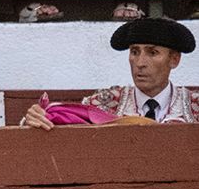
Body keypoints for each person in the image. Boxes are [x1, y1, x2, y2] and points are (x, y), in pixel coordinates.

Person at [21, 17, 197, 129]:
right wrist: (34, 120)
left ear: (174, 59)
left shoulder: (195, 106)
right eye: (135, 52)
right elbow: (60, 123)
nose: (140, 63)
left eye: (153, 53)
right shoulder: (103, 103)